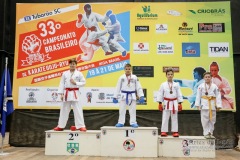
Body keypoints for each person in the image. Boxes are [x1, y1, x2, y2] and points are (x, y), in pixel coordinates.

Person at [53, 58, 87, 131]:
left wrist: (76, 83)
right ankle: (60, 126)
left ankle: (81, 126)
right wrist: (61, 94)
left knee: (78, 109)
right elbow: (61, 83)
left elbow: (84, 82)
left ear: (76, 65)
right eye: (71, 64)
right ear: (69, 64)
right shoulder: (65, 73)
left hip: (75, 93)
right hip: (67, 93)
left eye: (74, 64)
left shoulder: (79, 73)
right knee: (64, 109)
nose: (72, 65)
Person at [113, 63, 145, 128]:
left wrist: (141, 95)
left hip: (132, 95)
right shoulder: (121, 77)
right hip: (123, 95)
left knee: (133, 110)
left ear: (131, 69)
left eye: (129, 69)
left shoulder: (135, 77)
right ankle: (121, 122)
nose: (128, 70)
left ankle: (133, 122)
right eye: (126, 69)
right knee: (122, 110)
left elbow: (138, 87)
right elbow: (118, 87)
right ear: (124, 69)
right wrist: (115, 97)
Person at [157, 67, 183, 137]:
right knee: (165, 117)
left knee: (174, 117)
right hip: (166, 102)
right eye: (168, 74)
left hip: (174, 102)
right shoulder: (163, 84)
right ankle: (163, 131)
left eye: (171, 74)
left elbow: (179, 93)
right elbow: (160, 94)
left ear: (173, 75)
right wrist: (160, 103)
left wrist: (180, 103)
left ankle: (175, 131)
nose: (170, 75)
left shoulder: (176, 84)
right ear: (166, 75)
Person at [195, 72, 222, 139]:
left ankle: (211, 132)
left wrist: (218, 105)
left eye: (208, 77)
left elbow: (218, 96)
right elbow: (198, 96)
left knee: (212, 120)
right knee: (204, 120)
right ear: (204, 78)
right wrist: (197, 105)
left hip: (212, 104)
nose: (207, 78)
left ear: (211, 78)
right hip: (204, 105)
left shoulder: (214, 86)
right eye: (206, 77)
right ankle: (206, 133)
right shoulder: (200, 86)